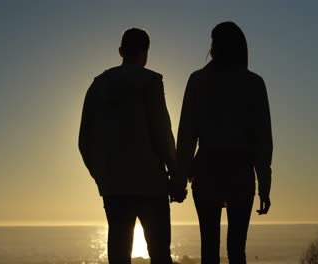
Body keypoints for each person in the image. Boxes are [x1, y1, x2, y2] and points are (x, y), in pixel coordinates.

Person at [78, 28, 186, 264]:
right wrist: (176, 175)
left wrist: (101, 176)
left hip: (115, 187)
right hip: (151, 185)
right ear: (145, 52)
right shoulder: (150, 81)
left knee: (118, 256)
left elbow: (84, 141)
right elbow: (162, 134)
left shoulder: (98, 85)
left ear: (120, 51)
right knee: (159, 255)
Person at [176, 21, 273, 264]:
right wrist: (264, 182)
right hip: (240, 170)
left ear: (215, 46)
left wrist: (179, 178)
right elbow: (263, 139)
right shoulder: (254, 83)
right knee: (237, 250)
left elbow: (187, 136)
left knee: (209, 248)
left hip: (207, 169)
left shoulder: (198, 80)